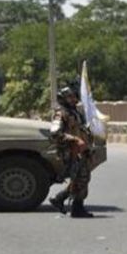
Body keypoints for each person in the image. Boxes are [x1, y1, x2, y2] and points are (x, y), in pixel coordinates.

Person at [48, 86, 94, 218]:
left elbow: (82, 130)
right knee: (81, 178)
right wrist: (74, 140)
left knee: (82, 178)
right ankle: (75, 207)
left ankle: (61, 200)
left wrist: (88, 148)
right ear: (63, 99)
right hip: (70, 151)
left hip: (81, 151)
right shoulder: (60, 114)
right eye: (70, 97)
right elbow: (55, 134)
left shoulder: (75, 113)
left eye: (74, 96)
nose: (73, 99)